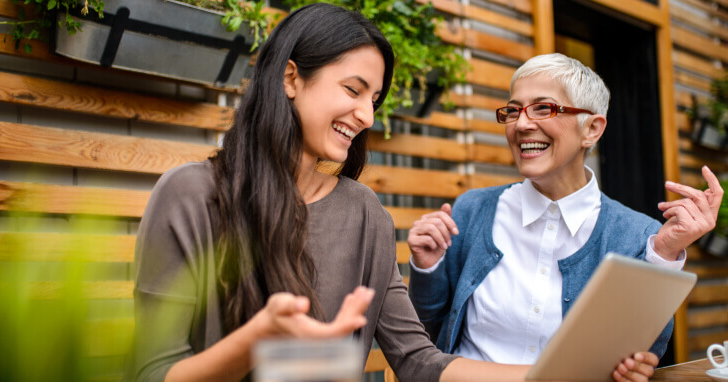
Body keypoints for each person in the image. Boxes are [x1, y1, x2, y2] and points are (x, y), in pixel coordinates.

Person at [127, 4, 531, 382]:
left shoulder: (363, 212)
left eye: (374, 100)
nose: (367, 116)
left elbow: (417, 360)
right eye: (353, 90)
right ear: (291, 79)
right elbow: (153, 372)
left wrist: (544, 374)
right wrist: (256, 340)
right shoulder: (191, 195)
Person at [407, 53, 723, 382]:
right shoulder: (472, 210)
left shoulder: (638, 234)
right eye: (513, 110)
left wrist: (664, 254)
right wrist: (427, 266)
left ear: (592, 129)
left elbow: (643, 354)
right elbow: (426, 333)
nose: (522, 124)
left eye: (544, 108)